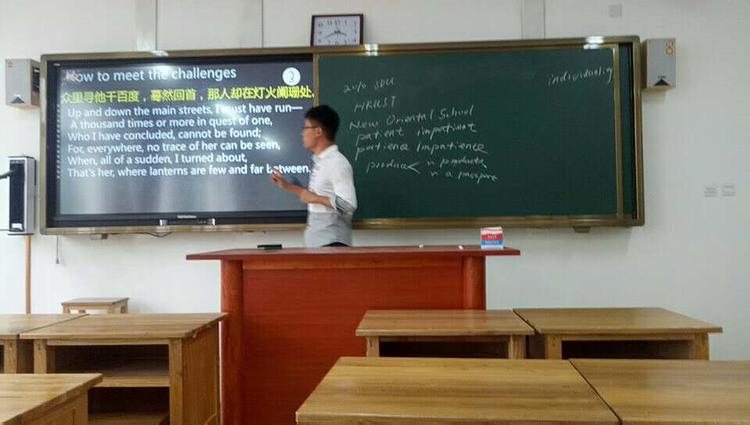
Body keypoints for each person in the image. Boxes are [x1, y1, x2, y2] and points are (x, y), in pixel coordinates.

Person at [271, 105, 357, 247]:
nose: (302, 133)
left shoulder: (337, 163)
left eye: (305, 128)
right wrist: (286, 186)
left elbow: (348, 205)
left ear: (318, 131)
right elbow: (311, 196)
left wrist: (315, 198)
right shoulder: (321, 162)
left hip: (333, 244)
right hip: (319, 244)